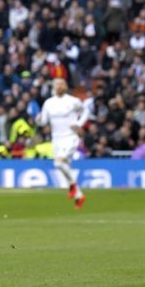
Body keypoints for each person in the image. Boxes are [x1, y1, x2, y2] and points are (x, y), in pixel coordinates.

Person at [37, 78, 89, 209]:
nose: (60, 87)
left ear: (65, 87)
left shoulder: (73, 101)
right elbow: (43, 121)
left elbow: (86, 111)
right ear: (54, 87)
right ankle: (79, 195)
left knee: (59, 162)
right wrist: (38, 120)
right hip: (56, 139)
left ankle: (72, 184)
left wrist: (78, 124)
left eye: (62, 84)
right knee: (64, 165)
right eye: (57, 85)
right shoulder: (48, 103)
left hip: (70, 137)